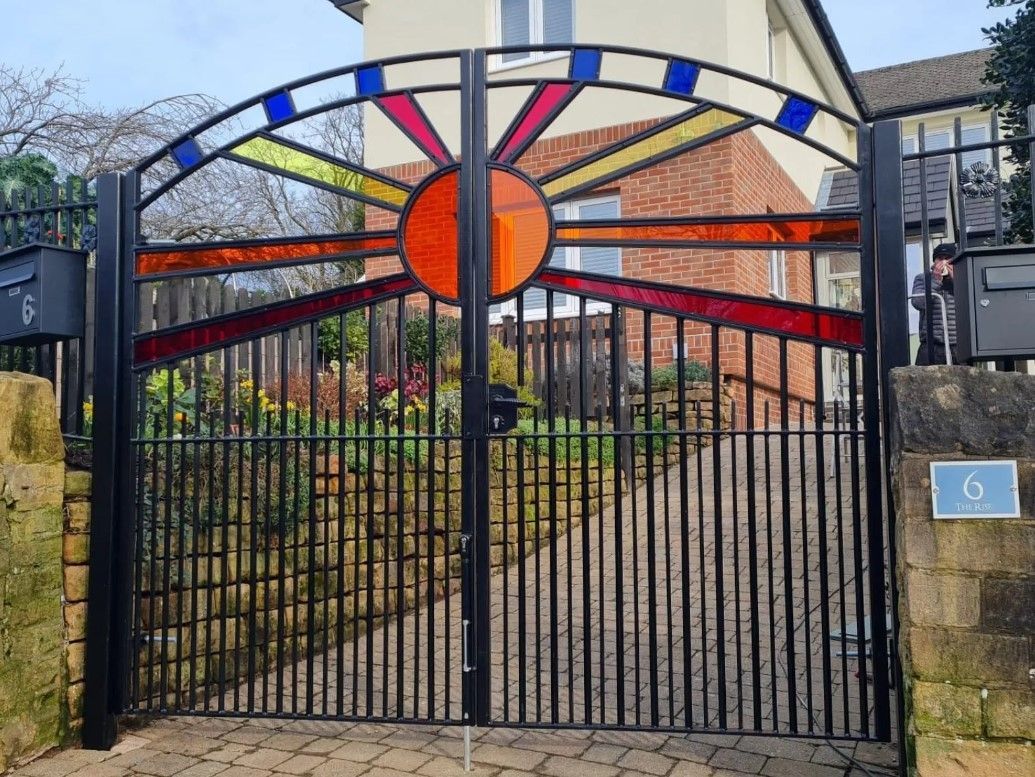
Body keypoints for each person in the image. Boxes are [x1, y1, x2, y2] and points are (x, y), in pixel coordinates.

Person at [911, 243, 958, 365]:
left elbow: (970, 302)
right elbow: (917, 303)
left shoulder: (963, 276)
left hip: (958, 344)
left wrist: (957, 281)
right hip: (930, 344)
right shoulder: (923, 278)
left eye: (948, 258)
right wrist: (936, 282)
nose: (944, 262)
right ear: (934, 261)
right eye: (940, 258)